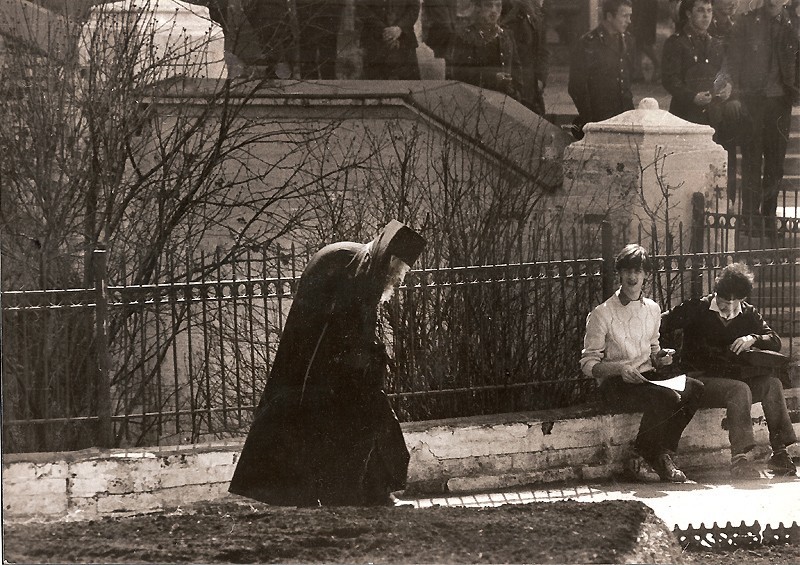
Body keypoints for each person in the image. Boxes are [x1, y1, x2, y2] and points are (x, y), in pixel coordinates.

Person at [229, 220, 426, 506]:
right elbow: (342, 325)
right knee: (357, 424)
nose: (400, 278)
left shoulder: (363, 265)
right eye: (401, 270)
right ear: (392, 260)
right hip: (326, 368)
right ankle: (359, 494)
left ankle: (371, 492)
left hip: (334, 365)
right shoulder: (356, 267)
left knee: (369, 421)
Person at [661, 263, 797, 479]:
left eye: (736, 304)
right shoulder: (698, 308)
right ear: (717, 293)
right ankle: (739, 460)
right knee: (739, 389)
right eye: (724, 303)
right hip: (701, 381)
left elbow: (775, 340)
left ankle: (779, 453)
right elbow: (659, 323)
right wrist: (661, 352)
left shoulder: (748, 313)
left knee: (772, 384)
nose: (730, 310)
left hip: (734, 381)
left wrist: (753, 338)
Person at [581, 244, 704, 483]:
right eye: (627, 270)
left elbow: (653, 349)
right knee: (665, 396)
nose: (632, 276)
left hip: (646, 378)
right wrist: (619, 369)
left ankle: (659, 452)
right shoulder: (602, 313)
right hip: (616, 384)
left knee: (694, 388)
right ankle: (647, 455)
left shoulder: (653, 309)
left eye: (638, 271)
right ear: (619, 273)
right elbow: (588, 364)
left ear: (646, 274)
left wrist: (660, 357)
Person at [727, 0, 799, 220]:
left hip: (780, 103)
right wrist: (736, 95)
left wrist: (795, 90)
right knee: (751, 160)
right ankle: (750, 217)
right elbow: (734, 61)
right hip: (752, 102)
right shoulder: (747, 23)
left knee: (775, 163)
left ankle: (769, 217)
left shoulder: (794, 25)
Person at [568, 0, 636, 138]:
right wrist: (589, 119)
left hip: (625, 117)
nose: (629, 21)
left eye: (630, 16)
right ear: (609, 16)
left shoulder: (628, 41)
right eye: (624, 16)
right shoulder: (589, 43)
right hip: (599, 118)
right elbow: (576, 86)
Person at [661, 0, 734, 126]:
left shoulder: (716, 44)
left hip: (713, 116)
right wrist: (692, 97)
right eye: (700, 10)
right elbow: (669, 79)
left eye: (709, 11)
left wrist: (728, 86)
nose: (706, 16)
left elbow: (724, 73)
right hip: (685, 115)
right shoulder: (676, 42)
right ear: (689, 14)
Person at [448, 0, 523, 100]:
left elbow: (516, 68)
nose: (494, 10)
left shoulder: (506, 35)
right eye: (488, 5)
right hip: (477, 99)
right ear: (478, 8)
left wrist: (516, 92)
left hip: (506, 100)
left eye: (498, 6)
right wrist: (493, 78)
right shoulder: (466, 36)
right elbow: (459, 73)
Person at [500, 0, 550, 114]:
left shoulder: (534, 16)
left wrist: (541, 78)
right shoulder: (512, 16)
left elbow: (543, 51)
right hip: (517, 87)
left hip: (532, 87)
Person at [357, 0, 422, 80]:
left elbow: (414, 7)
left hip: (404, 40)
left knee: (410, 83)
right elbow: (361, 7)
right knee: (374, 83)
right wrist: (384, 30)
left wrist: (399, 28)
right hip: (374, 40)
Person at [295, 0, 346, 79]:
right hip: (308, 13)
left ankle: (326, 81)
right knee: (308, 57)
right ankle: (310, 82)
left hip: (329, 15)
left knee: (327, 58)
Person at [631, 0, 660, 83]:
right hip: (638, 9)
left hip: (645, 10)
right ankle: (638, 73)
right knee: (638, 43)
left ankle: (659, 66)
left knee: (644, 43)